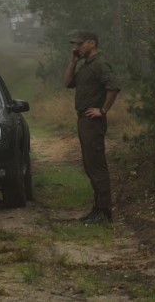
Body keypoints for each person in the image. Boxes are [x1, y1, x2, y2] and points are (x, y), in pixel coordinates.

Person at [63, 29, 120, 223]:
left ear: (92, 43)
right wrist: (73, 61)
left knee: (96, 166)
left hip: (93, 121)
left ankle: (104, 212)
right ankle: (98, 210)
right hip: (83, 120)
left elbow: (113, 86)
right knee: (89, 165)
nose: (76, 47)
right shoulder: (87, 64)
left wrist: (102, 110)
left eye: (80, 44)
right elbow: (67, 83)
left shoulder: (100, 64)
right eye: (76, 44)